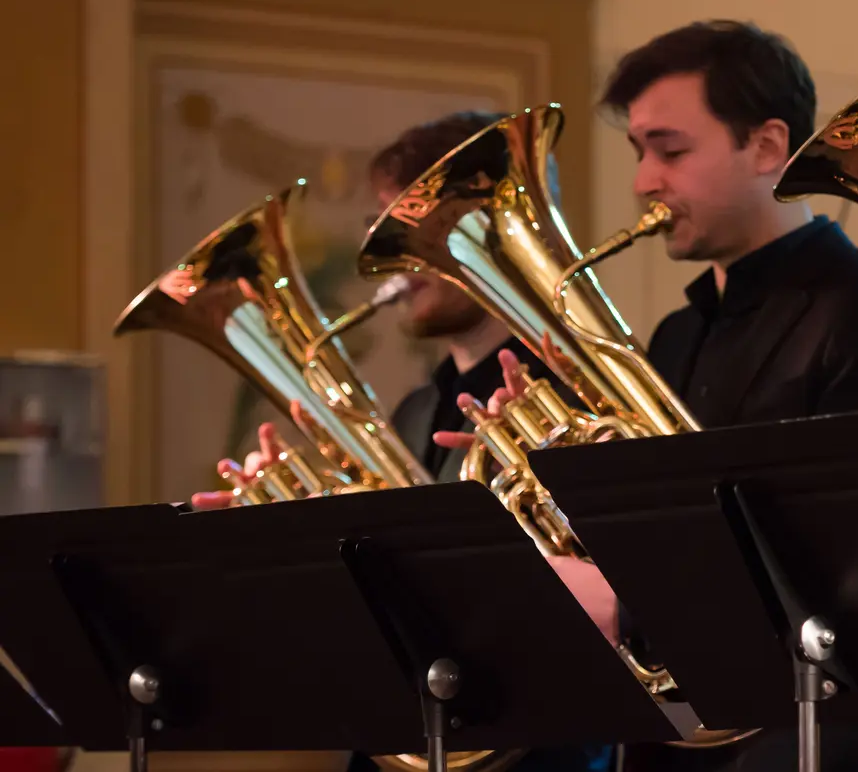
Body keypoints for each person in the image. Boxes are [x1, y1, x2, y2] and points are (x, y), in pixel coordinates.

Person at [460, 21, 858, 771]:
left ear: (768, 147)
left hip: (819, 739)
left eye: (671, 150)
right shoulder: (676, 336)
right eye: (640, 152)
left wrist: (634, 600)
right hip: (674, 739)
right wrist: (539, 467)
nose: (644, 180)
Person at [196, 110, 614, 772]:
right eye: (378, 224)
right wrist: (296, 540)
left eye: (410, 225)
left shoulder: (581, 403)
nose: (384, 252)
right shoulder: (418, 409)